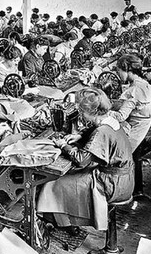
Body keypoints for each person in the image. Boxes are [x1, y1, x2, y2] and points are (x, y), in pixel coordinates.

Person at [37, 87, 134, 230]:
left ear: (92, 112)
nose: (80, 115)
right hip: (125, 178)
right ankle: (66, 220)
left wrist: (64, 145)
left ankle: (64, 221)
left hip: (113, 183)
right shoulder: (110, 121)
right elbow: (97, 135)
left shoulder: (101, 131)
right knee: (71, 177)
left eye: (82, 112)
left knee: (55, 182)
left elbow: (82, 159)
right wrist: (80, 136)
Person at [109, 54, 151, 152]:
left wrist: (103, 112)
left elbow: (121, 116)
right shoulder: (144, 83)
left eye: (119, 71)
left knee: (121, 153)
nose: (118, 75)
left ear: (127, 70)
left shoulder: (134, 90)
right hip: (145, 124)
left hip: (137, 129)